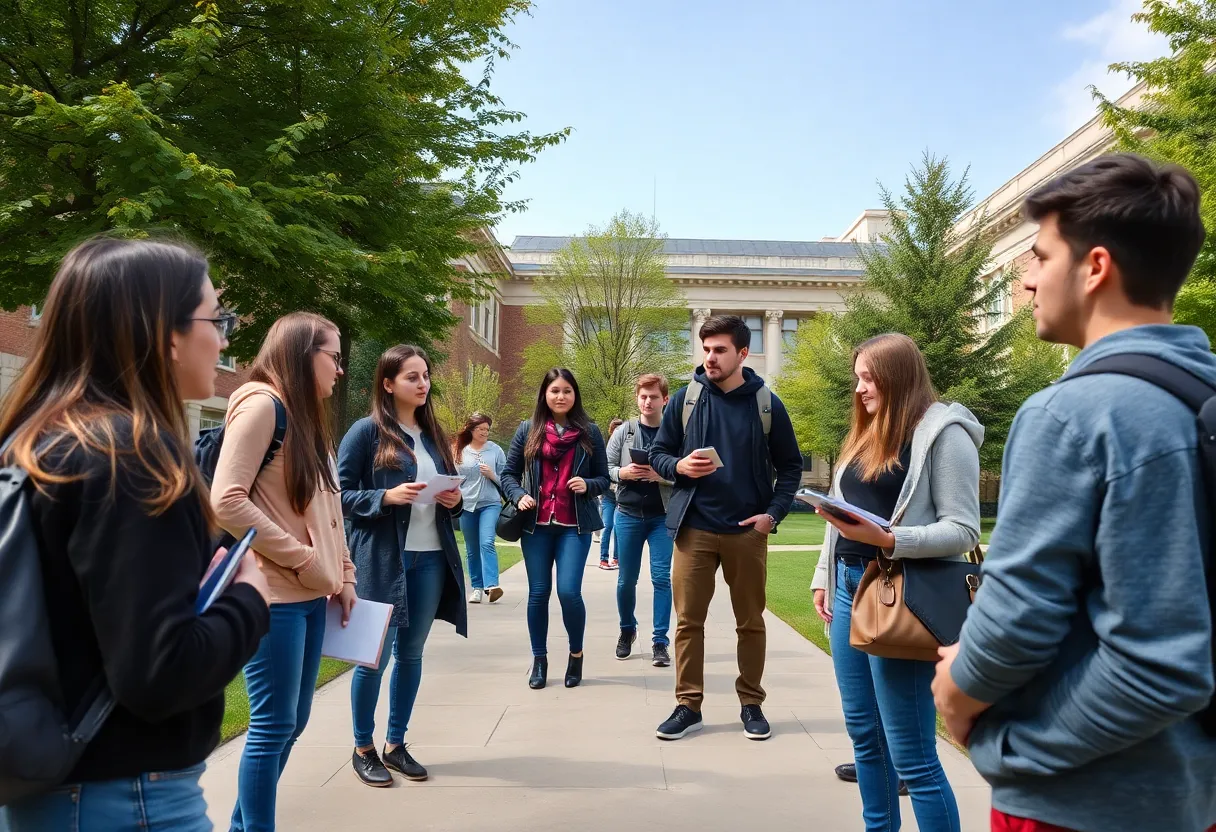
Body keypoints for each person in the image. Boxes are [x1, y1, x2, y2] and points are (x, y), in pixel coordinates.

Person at [933, 154, 1216, 832]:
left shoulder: (1073, 413)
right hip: (1191, 792)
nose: (1026, 281)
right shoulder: (1197, 395)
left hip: (1080, 801)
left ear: (1094, 268)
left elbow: (1021, 616)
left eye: (1037, 256)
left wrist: (972, 707)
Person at [0, 237, 271, 831]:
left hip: (56, 790)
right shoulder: (131, 455)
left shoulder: (39, 442)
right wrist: (249, 597)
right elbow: (159, 671)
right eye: (215, 319)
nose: (224, 339)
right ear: (165, 333)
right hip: (125, 799)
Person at [810, 333, 980, 832]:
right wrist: (824, 574)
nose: (859, 389)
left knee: (913, 756)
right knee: (864, 736)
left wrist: (889, 539)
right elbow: (841, 519)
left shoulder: (945, 433)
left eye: (869, 378)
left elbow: (964, 529)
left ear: (898, 379)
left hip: (904, 599)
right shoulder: (867, 432)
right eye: (857, 378)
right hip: (848, 589)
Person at [213, 312, 358, 832]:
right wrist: (303, 558)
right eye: (334, 357)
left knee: (291, 723)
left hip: (313, 594)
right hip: (272, 595)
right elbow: (226, 500)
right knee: (273, 725)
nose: (340, 370)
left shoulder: (307, 419)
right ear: (303, 355)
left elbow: (329, 512)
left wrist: (343, 576)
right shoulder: (260, 406)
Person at [649, 315, 803, 741]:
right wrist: (678, 465)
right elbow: (658, 454)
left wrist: (772, 515)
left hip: (746, 532)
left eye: (719, 350)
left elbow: (790, 468)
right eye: (706, 349)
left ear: (742, 353)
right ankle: (687, 705)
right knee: (687, 623)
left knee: (750, 622)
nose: (710, 358)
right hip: (694, 528)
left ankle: (751, 703)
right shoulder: (685, 400)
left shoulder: (767, 404)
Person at [338, 344, 467, 788]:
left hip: (431, 559)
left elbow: (448, 499)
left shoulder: (433, 435)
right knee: (372, 659)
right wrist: (384, 497)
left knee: (410, 654)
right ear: (388, 383)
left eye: (426, 375)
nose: (423, 382)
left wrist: (454, 499)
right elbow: (337, 496)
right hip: (381, 560)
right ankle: (362, 748)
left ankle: (396, 745)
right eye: (412, 376)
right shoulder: (365, 432)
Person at [501, 368, 611, 690]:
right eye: (554, 391)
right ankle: (540, 659)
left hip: (574, 526)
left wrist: (588, 484)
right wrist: (519, 495)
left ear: (574, 395)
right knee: (538, 594)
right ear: (545, 395)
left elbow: (604, 478)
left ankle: (575, 655)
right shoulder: (528, 430)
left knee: (568, 592)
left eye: (566, 391)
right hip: (536, 526)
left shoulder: (590, 432)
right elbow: (508, 473)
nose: (560, 396)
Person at [605, 374, 675, 667]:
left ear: (665, 400)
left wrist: (663, 476)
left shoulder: (674, 434)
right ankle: (627, 630)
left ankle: (660, 641)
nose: (648, 401)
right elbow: (605, 467)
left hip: (662, 518)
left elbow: (685, 473)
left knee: (661, 578)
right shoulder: (624, 432)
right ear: (637, 398)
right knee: (626, 581)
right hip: (628, 515)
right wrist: (624, 473)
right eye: (643, 396)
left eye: (654, 397)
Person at [454, 412, 508, 603]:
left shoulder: (495, 451)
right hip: (466, 505)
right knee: (471, 548)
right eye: (481, 429)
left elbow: (508, 480)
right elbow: (452, 476)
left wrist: (492, 475)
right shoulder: (459, 450)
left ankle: (492, 585)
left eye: (487, 429)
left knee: (486, 542)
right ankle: (476, 587)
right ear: (471, 429)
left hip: (490, 503)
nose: (485, 432)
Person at [597, 417, 624, 570]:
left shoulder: (626, 447)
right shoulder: (606, 450)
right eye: (615, 430)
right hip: (608, 495)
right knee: (608, 526)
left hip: (621, 495)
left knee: (618, 527)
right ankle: (603, 559)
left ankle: (617, 558)